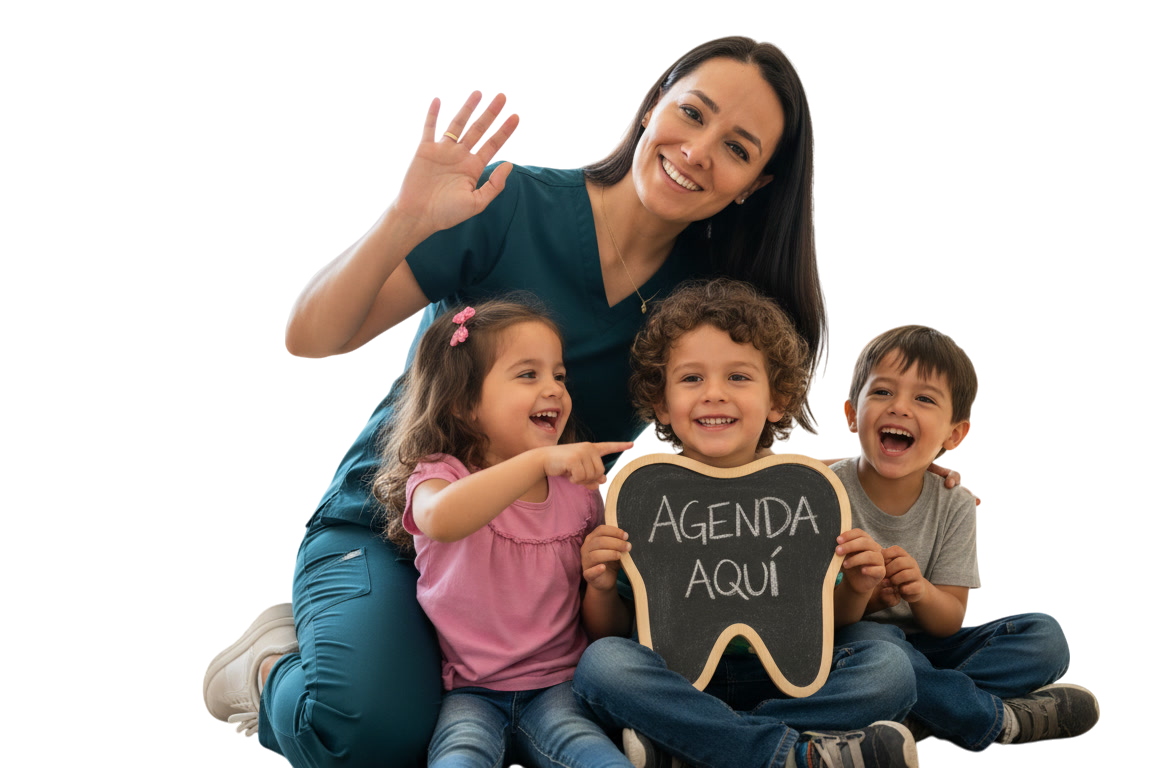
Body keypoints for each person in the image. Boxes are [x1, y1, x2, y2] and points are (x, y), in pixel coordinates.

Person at [202, 36, 956, 766]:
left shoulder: (715, 297)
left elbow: (752, 458)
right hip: (391, 520)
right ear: (655, 103)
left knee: (637, 685)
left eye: (737, 147)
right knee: (366, 730)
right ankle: (268, 662)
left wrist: (903, 482)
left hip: (542, 549)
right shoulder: (513, 200)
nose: (698, 151)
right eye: (693, 114)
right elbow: (309, 336)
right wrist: (407, 214)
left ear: (755, 185)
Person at [573, 278, 922, 768]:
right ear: (661, 403)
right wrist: (602, 586)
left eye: (738, 377)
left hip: (791, 681)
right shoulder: (643, 493)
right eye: (691, 379)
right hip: (674, 679)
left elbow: (825, 621)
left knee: (890, 666)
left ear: (776, 399)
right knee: (601, 667)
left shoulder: (804, 492)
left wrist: (860, 587)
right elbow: (613, 630)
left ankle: (695, 743)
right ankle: (789, 753)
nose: (714, 394)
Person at [369, 296, 633, 766]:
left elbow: (605, 634)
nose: (553, 388)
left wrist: (601, 586)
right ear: (463, 402)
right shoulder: (441, 476)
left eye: (559, 375)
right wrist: (538, 460)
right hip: (470, 694)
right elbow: (440, 520)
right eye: (529, 374)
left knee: (597, 757)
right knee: (460, 757)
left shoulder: (580, 495)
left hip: (560, 689)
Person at [831, 325, 1099, 754]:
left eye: (923, 398)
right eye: (882, 392)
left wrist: (919, 592)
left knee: (1046, 638)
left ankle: (915, 713)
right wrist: (868, 598)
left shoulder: (955, 505)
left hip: (934, 652)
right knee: (885, 656)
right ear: (851, 415)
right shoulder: (824, 494)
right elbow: (816, 622)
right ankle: (994, 720)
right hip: (862, 652)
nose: (899, 407)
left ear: (953, 435)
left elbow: (951, 619)